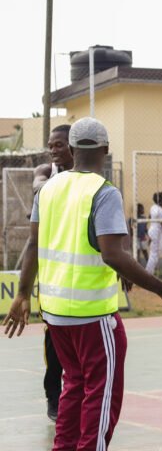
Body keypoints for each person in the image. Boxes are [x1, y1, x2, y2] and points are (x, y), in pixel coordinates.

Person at [3, 118, 162, 451]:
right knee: (102, 390)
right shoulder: (104, 192)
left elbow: (34, 247)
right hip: (92, 313)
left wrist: (23, 294)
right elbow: (113, 254)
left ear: (71, 151)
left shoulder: (49, 189)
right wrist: (160, 289)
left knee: (73, 385)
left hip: (55, 310)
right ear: (106, 151)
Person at [32, 124, 73, 422]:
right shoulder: (47, 171)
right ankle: (52, 397)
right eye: (50, 144)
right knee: (54, 343)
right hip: (52, 275)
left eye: (58, 144)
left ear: (73, 145)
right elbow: (39, 187)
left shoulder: (95, 178)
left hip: (81, 274)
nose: (53, 149)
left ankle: (77, 397)